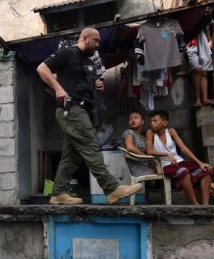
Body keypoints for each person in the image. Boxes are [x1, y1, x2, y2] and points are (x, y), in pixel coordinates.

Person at [37, 27, 142, 205]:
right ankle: (112, 189)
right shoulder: (67, 53)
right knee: (90, 144)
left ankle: (58, 193)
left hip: (84, 110)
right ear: (84, 38)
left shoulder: (88, 61)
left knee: (72, 155)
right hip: (70, 109)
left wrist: (97, 84)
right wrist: (58, 89)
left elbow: (85, 83)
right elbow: (42, 68)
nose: (98, 44)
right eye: (96, 40)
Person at [146, 110, 213, 205]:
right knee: (183, 171)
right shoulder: (150, 133)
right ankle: (195, 204)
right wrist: (167, 154)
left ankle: (205, 204)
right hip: (165, 165)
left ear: (164, 122)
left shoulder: (171, 131)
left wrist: (200, 163)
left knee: (205, 171)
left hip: (180, 162)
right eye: (151, 121)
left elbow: (183, 148)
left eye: (155, 121)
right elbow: (149, 151)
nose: (152, 123)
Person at [122, 109, 156, 176]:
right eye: (130, 119)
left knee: (162, 170)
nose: (133, 120)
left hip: (144, 163)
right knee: (154, 173)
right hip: (133, 164)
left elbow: (148, 151)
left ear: (142, 121)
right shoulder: (129, 132)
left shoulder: (143, 138)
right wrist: (147, 158)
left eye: (136, 118)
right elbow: (130, 148)